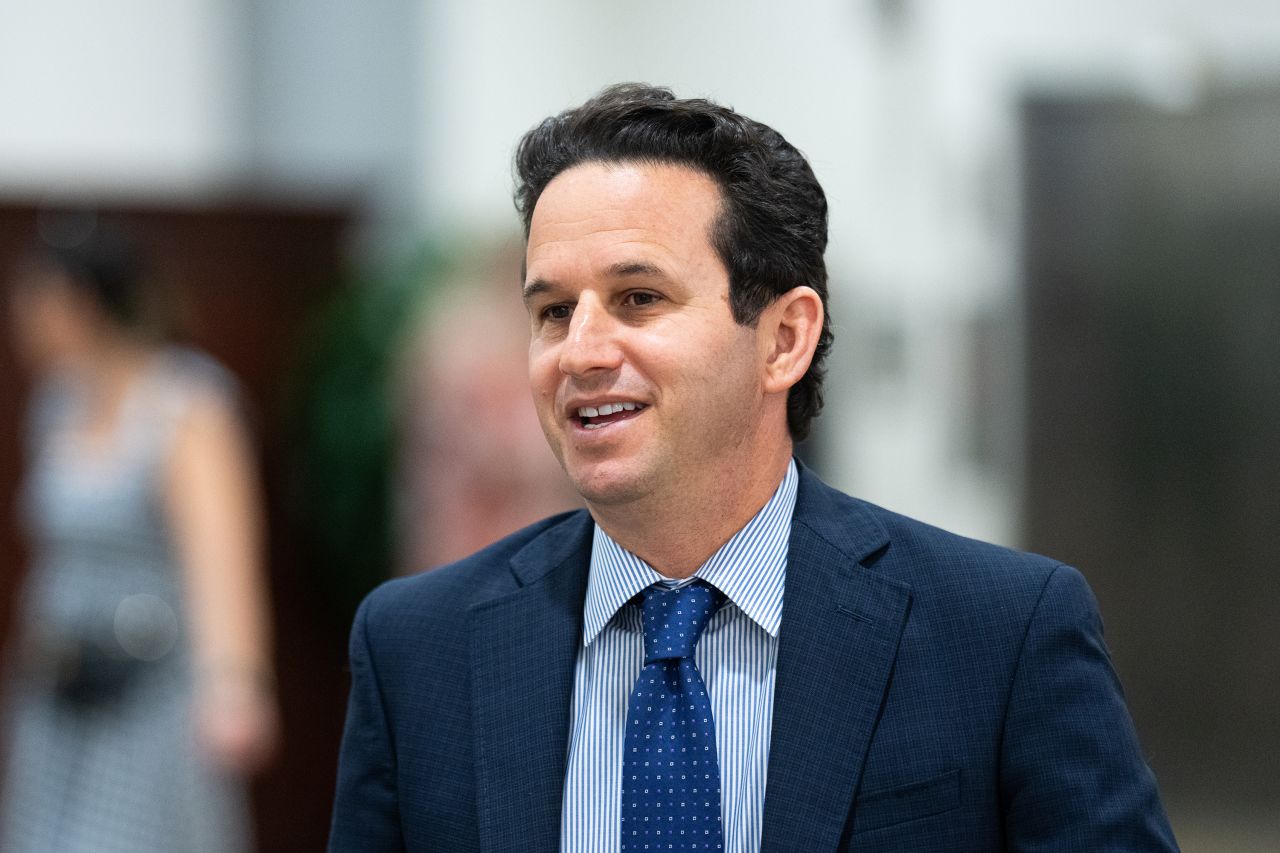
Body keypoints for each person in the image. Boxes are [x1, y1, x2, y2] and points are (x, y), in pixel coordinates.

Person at [329, 84, 1178, 851]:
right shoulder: (418, 651)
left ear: (784, 339)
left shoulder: (1000, 635)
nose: (579, 351)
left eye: (638, 298)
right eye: (552, 310)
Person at [1, 227, 278, 853]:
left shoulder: (184, 404)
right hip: (57, 690)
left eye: (32, 300)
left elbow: (222, 556)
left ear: (78, 302)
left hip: (149, 694)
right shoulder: (55, 406)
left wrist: (236, 683)